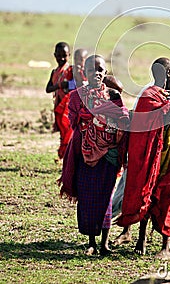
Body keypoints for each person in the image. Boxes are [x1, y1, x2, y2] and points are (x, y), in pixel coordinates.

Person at [117, 57, 170, 259]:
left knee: (168, 196)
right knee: (147, 194)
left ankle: (166, 246)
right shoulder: (149, 97)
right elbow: (162, 122)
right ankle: (141, 238)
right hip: (152, 157)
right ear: (168, 75)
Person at [59, 55, 130, 255]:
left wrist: (102, 114)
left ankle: (104, 244)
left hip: (109, 154)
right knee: (87, 197)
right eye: (92, 70)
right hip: (84, 153)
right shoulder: (76, 97)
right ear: (85, 73)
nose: (96, 73)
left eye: (100, 70)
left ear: (105, 73)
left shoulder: (114, 95)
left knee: (106, 197)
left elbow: (123, 120)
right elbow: (74, 123)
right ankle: (91, 242)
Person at [46, 42, 73, 159]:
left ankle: (68, 156)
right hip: (58, 106)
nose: (61, 58)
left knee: (69, 133)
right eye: (59, 55)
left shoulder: (71, 71)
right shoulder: (54, 72)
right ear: (54, 55)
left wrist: (67, 85)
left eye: (64, 55)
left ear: (69, 55)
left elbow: (77, 85)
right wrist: (60, 85)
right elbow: (48, 88)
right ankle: (64, 155)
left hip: (69, 108)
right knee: (63, 133)